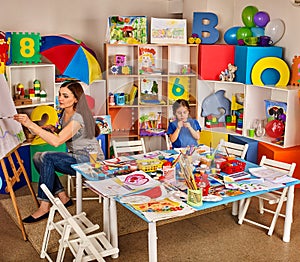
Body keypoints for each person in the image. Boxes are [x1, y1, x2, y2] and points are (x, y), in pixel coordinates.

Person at [14, 80, 104, 223]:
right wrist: (54, 129)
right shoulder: (63, 113)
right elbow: (65, 132)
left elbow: (57, 142)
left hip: (91, 161)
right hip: (77, 156)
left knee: (46, 157)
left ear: (76, 99)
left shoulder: (77, 117)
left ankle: (44, 206)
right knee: (37, 157)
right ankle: (63, 197)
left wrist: (30, 124)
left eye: (65, 96)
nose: (60, 98)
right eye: (60, 94)